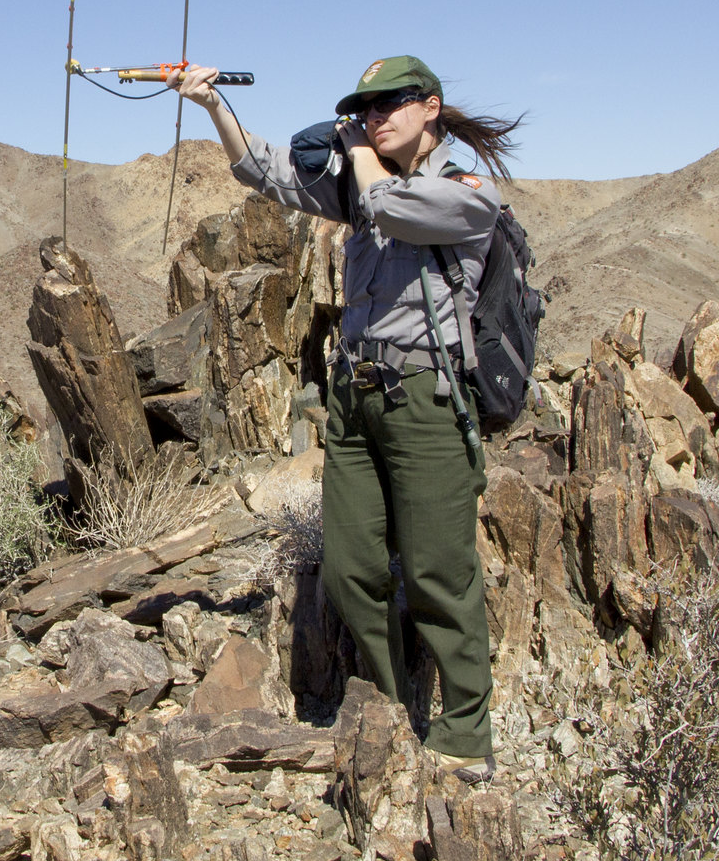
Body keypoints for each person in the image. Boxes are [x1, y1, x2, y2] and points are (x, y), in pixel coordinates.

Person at [171, 55, 522, 782]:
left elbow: (396, 208)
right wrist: (210, 106)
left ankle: (465, 732)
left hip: (426, 402)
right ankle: (391, 711)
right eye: (366, 107)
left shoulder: (466, 195)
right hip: (356, 402)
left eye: (392, 103)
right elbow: (266, 172)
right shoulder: (362, 190)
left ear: (430, 107)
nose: (375, 115)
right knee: (354, 569)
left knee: (437, 572)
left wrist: (357, 150)